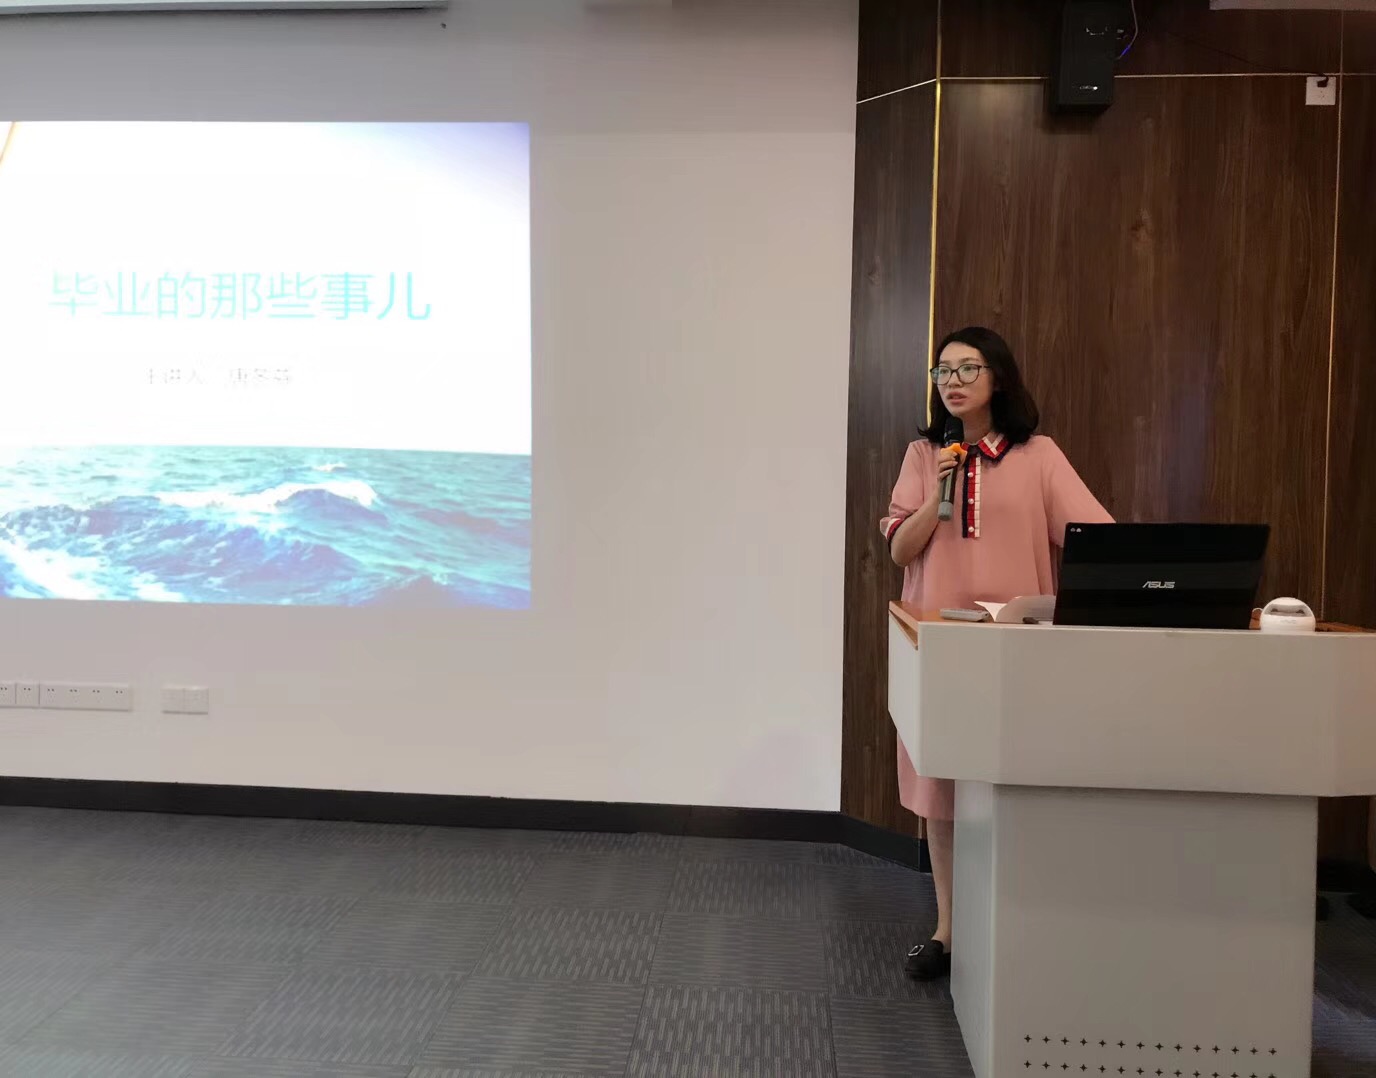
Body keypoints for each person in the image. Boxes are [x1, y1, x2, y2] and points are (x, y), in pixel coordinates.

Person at [880, 326, 1112, 981]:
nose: (952, 382)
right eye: (942, 371)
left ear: (998, 376)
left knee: (1017, 780)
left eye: (967, 369)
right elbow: (899, 549)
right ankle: (948, 930)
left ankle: (1021, 924)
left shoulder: (1038, 456)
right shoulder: (924, 455)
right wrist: (938, 494)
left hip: (1018, 648)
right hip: (940, 648)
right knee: (943, 788)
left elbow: (1094, 537)